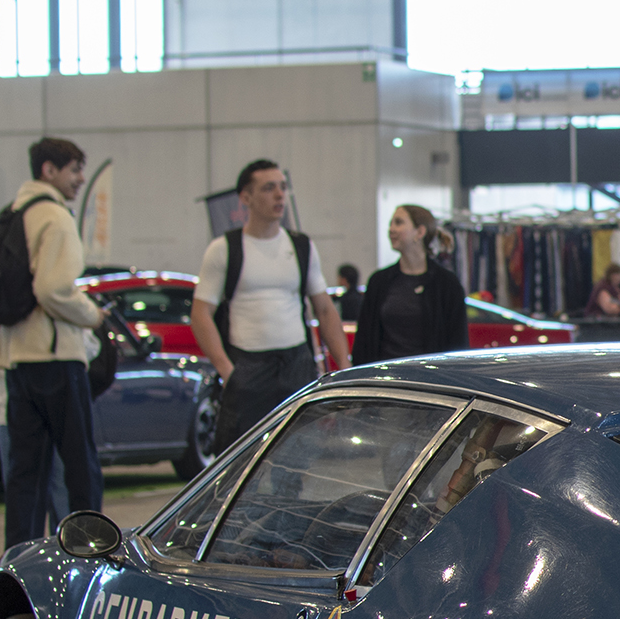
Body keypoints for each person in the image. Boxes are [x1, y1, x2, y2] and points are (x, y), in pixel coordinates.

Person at [0, 136, 107, 549]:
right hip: (56, 358)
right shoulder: (55, 217)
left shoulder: (13, 213)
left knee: (25, 474)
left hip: (17, 360)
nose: (81, 179)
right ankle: (89, 553)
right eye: (74, 170)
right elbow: (54, 290)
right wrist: (94, 315)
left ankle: (18, 558)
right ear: (49, 171)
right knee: (80, 466)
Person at [190, 159, 351, 452]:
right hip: (247, 368)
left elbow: (325, 310)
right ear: (246, 197)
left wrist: (343, 365)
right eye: (268, 188)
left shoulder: (301, 246)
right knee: (241, 461)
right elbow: (201, 315)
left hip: (296, 366)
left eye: (282, 187)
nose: (279, 195)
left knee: (297, 458)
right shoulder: (224, 249)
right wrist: (227, 371)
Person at [351, 205, 469, 366]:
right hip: (385, 379)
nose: (391, 229)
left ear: (420, 232)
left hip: (429, 381)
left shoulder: (447, 284)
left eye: (398, 223)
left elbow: (458, 343)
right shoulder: (379, 281)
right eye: (391, 223)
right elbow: (363, 340)